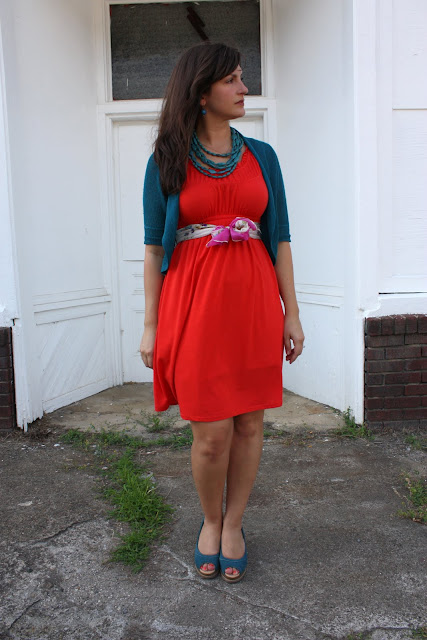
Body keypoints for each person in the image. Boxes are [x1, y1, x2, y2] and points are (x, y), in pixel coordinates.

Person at [140, 42, 304, 583]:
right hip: (194, 307)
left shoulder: (263, 157)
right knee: (211, 434)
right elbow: (154, 250)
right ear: (201, 92)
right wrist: (150, 325)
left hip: (253, 304)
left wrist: (292, 313)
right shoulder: (166, 159)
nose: (243, 88)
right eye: (232, 79)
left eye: (241, 77)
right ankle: (209, 520)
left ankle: (233, 525)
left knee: (250, 423)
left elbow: (279, 239)